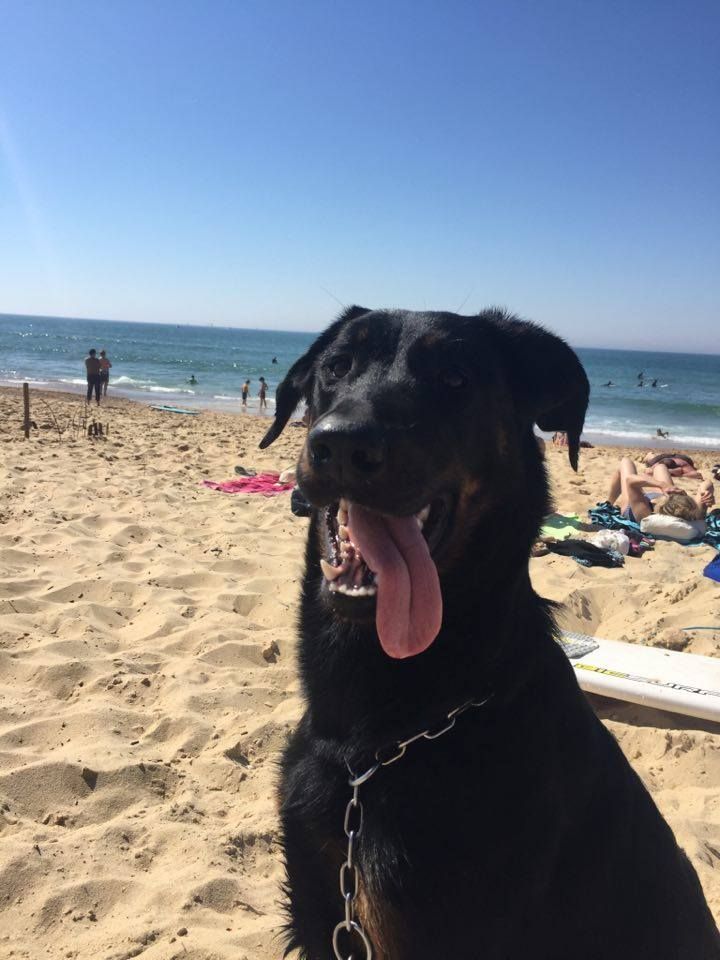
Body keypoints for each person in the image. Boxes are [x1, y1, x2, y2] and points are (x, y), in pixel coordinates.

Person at [607, 457, 715, 524]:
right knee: (661, 467)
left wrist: (662, 485)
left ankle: (608, 503)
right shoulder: (694, 513)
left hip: (635, 506)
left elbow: (630, 480)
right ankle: (652, 473)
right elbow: (708, 483)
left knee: (626, 462)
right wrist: (706, 493)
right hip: (658, 498)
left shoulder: (646, 515)